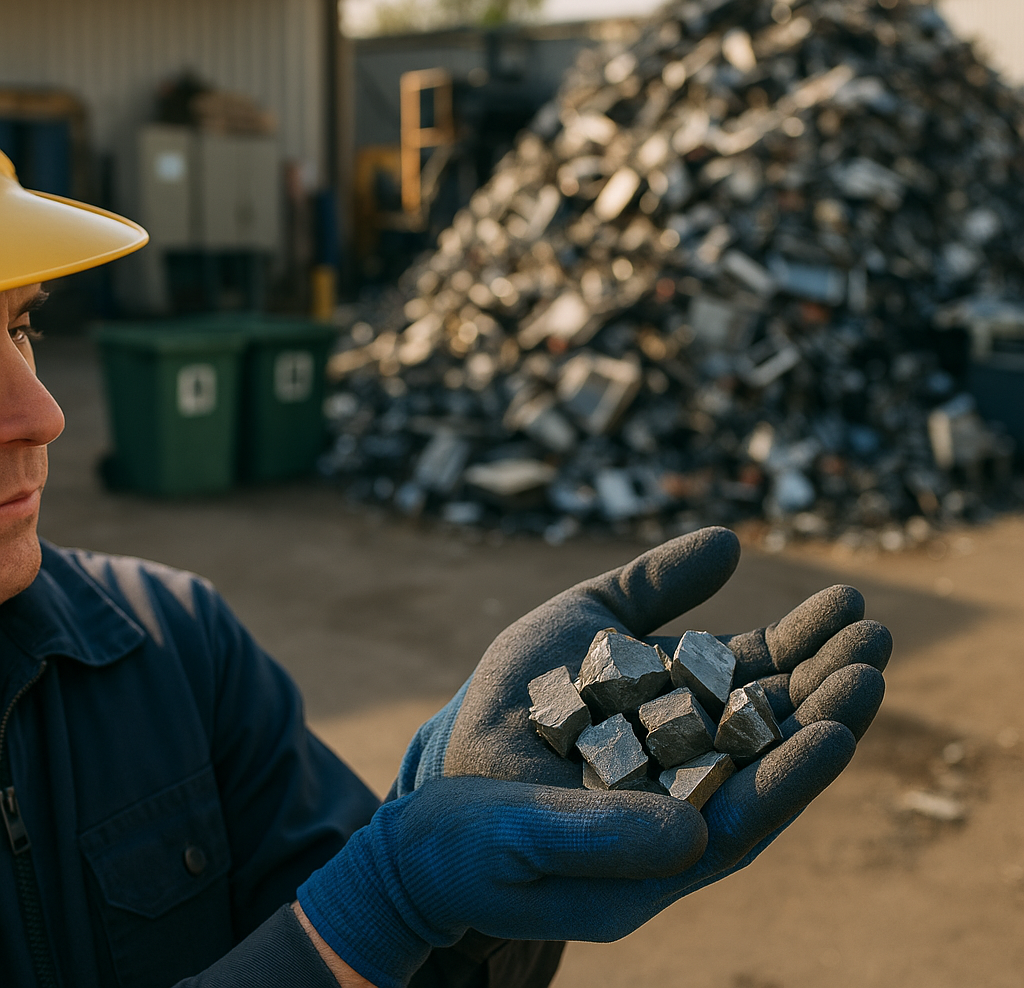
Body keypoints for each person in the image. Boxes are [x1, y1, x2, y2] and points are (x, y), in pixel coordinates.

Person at [0, 149, 892, 988]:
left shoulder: (172, 644)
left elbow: (369, 920)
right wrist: (369, 912)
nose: (42, 414)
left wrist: (463, 910)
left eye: (22, 324)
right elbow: (356, 917)